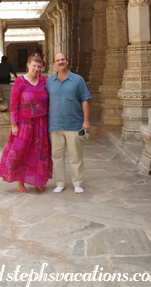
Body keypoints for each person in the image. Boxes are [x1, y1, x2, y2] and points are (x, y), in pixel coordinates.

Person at [0, 53, 52, 193]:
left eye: (39, 66)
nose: (36, 69)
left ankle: (37, 180)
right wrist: (14, 124)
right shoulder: (20, 82)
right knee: (23, 152)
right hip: (24, 124)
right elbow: (13, 104)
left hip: (41, 122)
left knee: (39, 152)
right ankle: (20, 182)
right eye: (34, 65)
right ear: (28, 65)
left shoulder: (43, 81)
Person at [46, 53, 91, 194]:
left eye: (63, 59)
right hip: (55, 125)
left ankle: (77, 183)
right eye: (58, 60)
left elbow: (85, 100)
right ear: (54, 64)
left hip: (74, 124)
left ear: (67, 61)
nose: (61, 62)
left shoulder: (78, 80)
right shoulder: (49, 82)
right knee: (57, 156)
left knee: (75, 156)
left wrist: (86, 120)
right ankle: (60, 183)